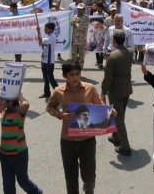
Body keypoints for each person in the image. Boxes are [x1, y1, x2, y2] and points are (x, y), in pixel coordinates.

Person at [47, 63, 112, 194]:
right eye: (71, 74)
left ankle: (89, 190)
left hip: (87, 140)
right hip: (67, 141)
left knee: (89, 177)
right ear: (64, 76)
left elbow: (100, 108)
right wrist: (61, 115)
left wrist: (109, 112)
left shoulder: (90, 89)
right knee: (70, 178)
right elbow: (49, 107)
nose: (75, 77)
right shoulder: (58, 91)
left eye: (77, 73)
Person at [0, 92, 42, 194]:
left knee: (23, 181)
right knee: (7, 185)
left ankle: (37, 192)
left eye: (3, 99)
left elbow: (26, 104)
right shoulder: (4, 111)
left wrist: (18, 95)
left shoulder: (19, 113)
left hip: (19, 154)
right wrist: (5, 93)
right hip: (4, 154)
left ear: (11, 101)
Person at [101, 30, 133, 156]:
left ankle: (125, 146)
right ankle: (116, 137)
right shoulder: (130, 52)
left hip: (116, 91)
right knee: (120, 115)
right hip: (126, 89)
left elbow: (108, 77)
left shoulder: (113, 57)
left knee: (118, 117)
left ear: (114, 40)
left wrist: (103, 92)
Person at [37, 22, 59, 99]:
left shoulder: (53, 37)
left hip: (49, 61)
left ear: (50, 29)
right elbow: (40, 43)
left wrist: (38, 32)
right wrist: (39, 35)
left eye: (45, 28)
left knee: (50, 78)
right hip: (43, 60)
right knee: (45, 78)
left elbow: (41, 40)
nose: (44, 29)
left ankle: (59, 93)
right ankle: (47, 93)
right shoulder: (47, 35)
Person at [71, 3, 89, 68]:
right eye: (79, 9)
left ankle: (79, 70)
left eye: (81, 9)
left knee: (81, 57)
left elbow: (83, 28)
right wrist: (72, 23)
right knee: (74, 56)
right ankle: (74, 69)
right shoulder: (74, 17)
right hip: (74, 40)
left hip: (82, 40)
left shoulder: (86, 18)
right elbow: (70, 26)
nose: (80, 10)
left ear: (84, 10)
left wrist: (75, 24)